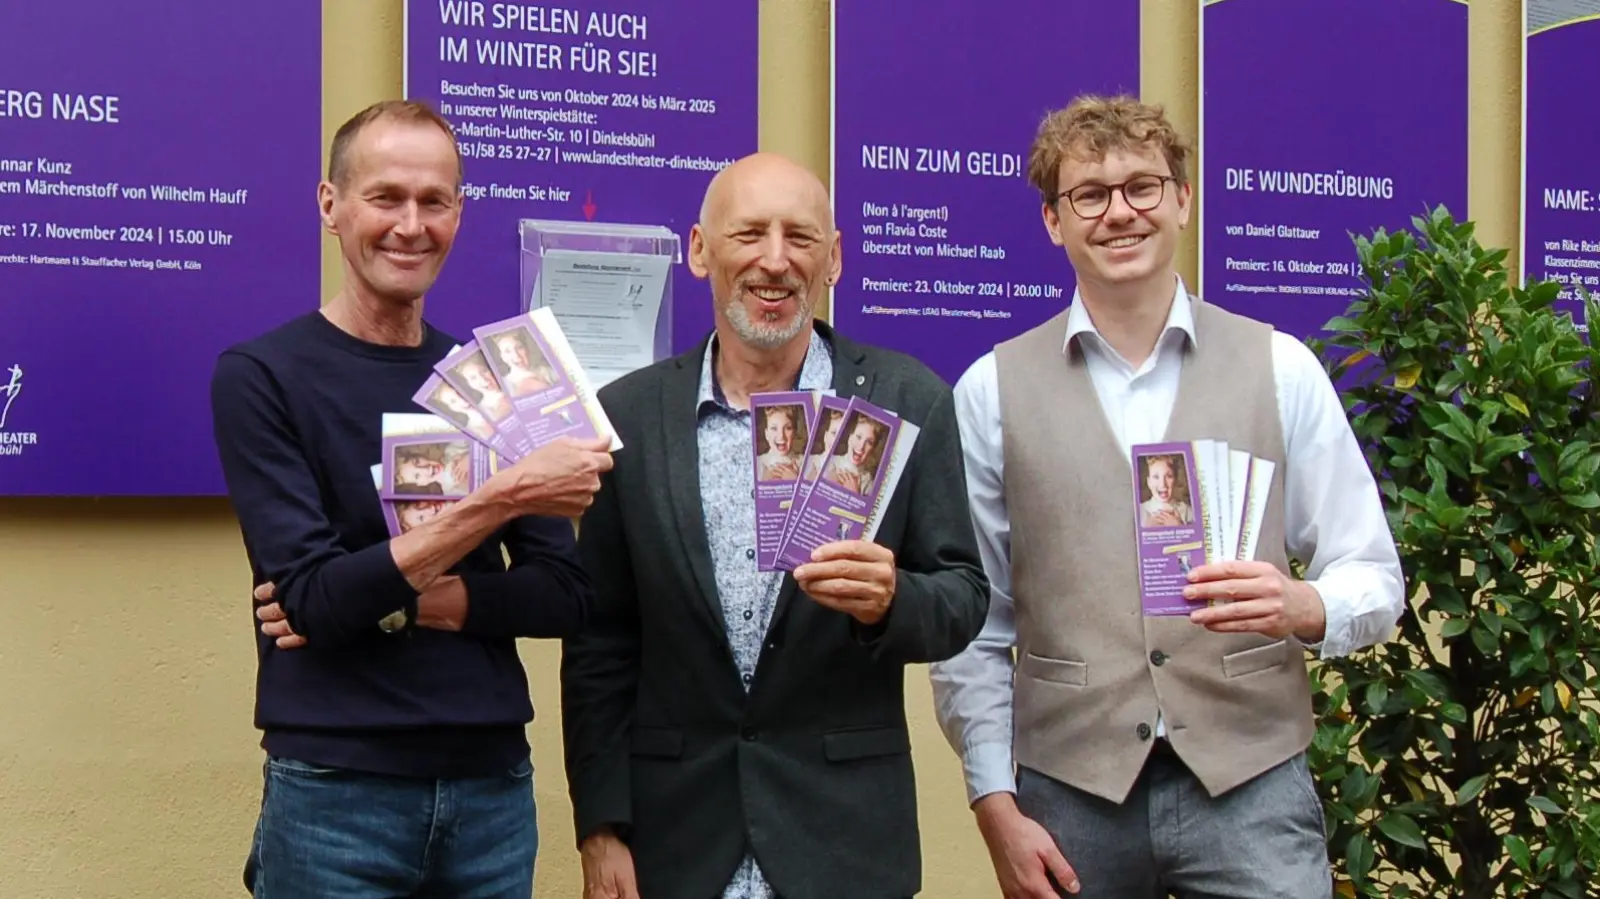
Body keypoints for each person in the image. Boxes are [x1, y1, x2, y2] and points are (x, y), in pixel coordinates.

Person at [928, 94, 1405, 898]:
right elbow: (973, 625)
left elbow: (1375, 575)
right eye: (1090, 194)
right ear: (1053, 220)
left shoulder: (1282, 367)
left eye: (1143, 186)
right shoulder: (989, 391)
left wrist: (1305, 604)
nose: (1120, 213)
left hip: (1251, 779)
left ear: (1183, 199)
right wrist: (993, 802)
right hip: (1071, 793)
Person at [208, 99, 614, 898]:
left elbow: (564, 596)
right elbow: (317, 598)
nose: (411, 224)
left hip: (491, 789)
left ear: (460, 213)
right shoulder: (261, 377)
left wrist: (389, 601)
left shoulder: (498, 380)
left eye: (435, 201)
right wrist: (498, 502)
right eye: (386, 197)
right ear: (332, 205)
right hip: (335, 792)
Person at [560, 151, 991, 899]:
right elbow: (601, 645)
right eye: (749, 234)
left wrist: (892, 600)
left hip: (844, 844)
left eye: (801, 237)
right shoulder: (628, 416)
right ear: (700, 250)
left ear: (836, 257)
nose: (775, 260)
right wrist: (601, 827)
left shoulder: (907, 397)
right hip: (676, 844)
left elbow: (962, 596)